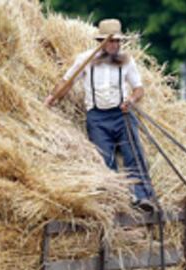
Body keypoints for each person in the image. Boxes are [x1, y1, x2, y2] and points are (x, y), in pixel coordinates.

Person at [45, 19, 156, 211]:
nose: (114, 45)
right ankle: (118, 201)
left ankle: (142, 196)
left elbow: (139, 89)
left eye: (117, 41)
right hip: (97, 118)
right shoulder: (85, 60)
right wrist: (52, 98)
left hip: (122, 115)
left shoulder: (127, 61)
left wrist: (131, 100)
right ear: (101, 42)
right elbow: (67, 81)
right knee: (105, 159)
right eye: (110, 41)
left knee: (133, 154)